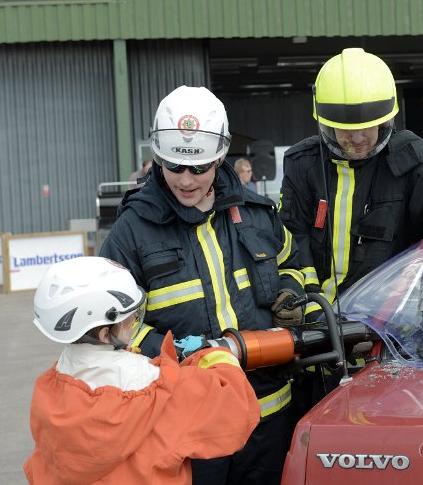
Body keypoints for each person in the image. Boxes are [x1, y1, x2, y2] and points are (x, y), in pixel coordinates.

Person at [99, 85, 305, 484]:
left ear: (221, 156)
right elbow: (109, 326)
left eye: (200, 167)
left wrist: (291, 294)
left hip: (268, 416)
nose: (187, 180)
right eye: (174, 167)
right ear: (157, 159)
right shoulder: (131, 231)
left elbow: (294, 264)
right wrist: (172, 350)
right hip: (188, 422)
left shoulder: (258, 214)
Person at [279, 48, 423, 367]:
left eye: (366, 127)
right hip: (316, 337)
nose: (356, 138)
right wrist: (307, 306)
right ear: (324, 123)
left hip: (389, 342)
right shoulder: (302, 165)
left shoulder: (411, 160)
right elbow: (291, 240)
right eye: (343, 129)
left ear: (386, 121)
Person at [24, 257, 260, 485]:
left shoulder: (50, 386)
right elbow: (236, 410)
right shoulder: (153, 387)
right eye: (131, 317)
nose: (135, 321)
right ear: (106, 333)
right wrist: (217, 355)